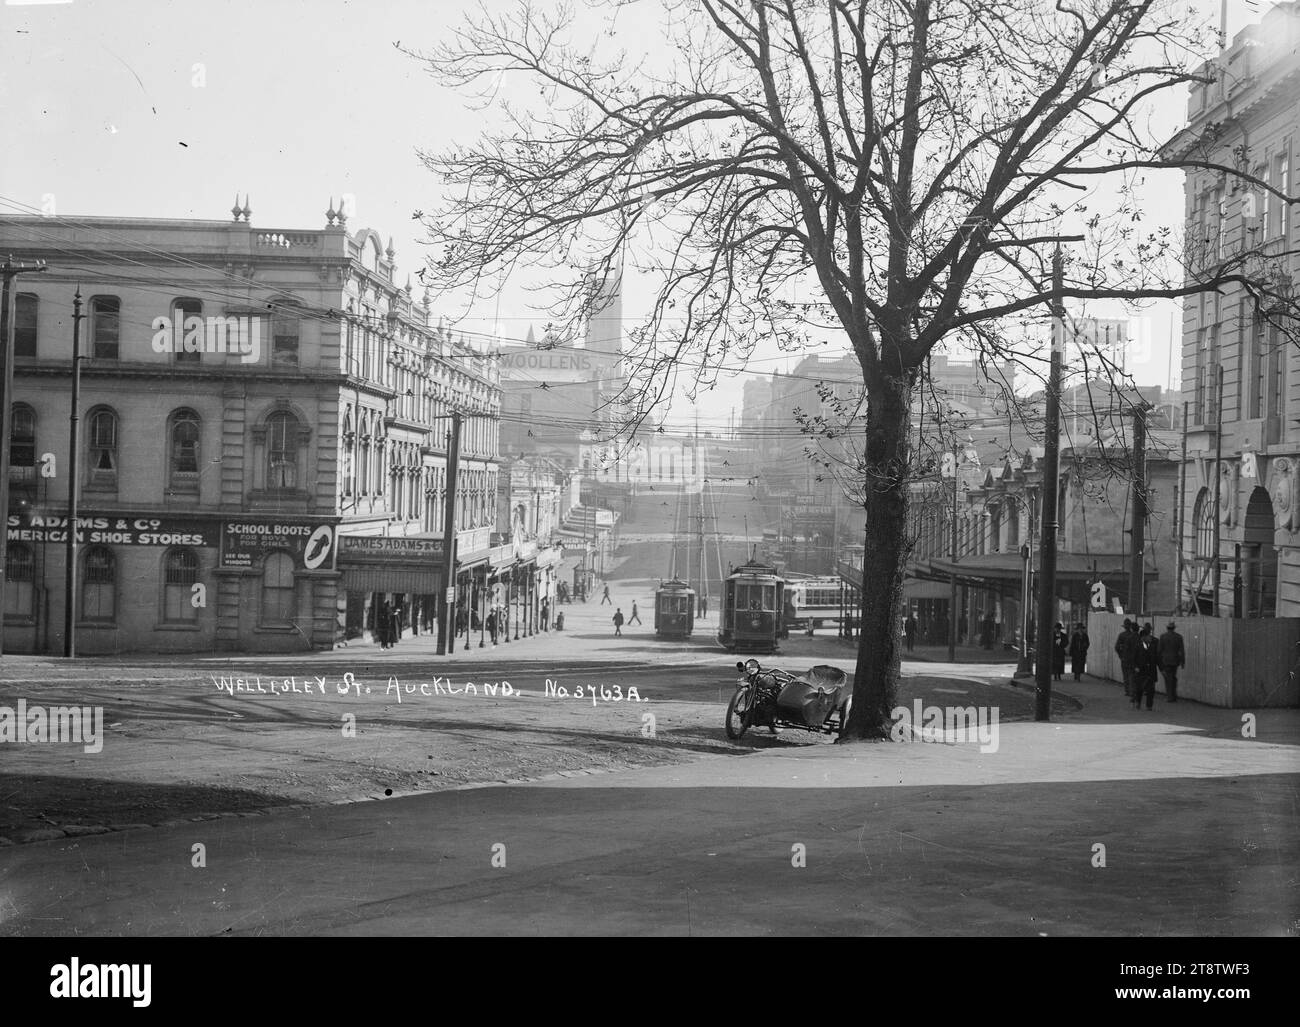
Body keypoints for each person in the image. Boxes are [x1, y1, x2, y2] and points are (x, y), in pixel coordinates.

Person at [1132, 623, 1159, 710]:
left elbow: (1157, 658)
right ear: (1143, 638)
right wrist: (1135, 667)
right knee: (1139, 689)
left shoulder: (1153, 646)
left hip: (1151, 671)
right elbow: (1133, 658)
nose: (1150, 638)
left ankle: (1149, 705)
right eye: (1148, 636)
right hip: (1140, 671)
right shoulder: (1138, 647)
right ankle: (1138, 702)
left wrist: (1161, 668)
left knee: (1151, 690)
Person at [1158, 621, 1186, 702]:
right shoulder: (1178, 637)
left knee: (1168, 679)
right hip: (1175, 660)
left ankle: (1170, 696)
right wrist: (1182, 661)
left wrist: (1159, 660)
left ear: (1167, 628)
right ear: (1174, 628)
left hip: (1166, 660)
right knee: (1173, 677)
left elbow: (1159, 650)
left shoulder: (1163, 637)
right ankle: (1173, 695)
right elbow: (1182, 651)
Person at [1114, 619, 1137, 698]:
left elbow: (1116, 647)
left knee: (1125, 675)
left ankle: (1127, 690)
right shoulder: (1134, 636)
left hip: (1124, 658)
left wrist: (1121, 656)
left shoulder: (1121, 635)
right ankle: (1131, 690)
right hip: (1133, 659)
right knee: (1131, 675)